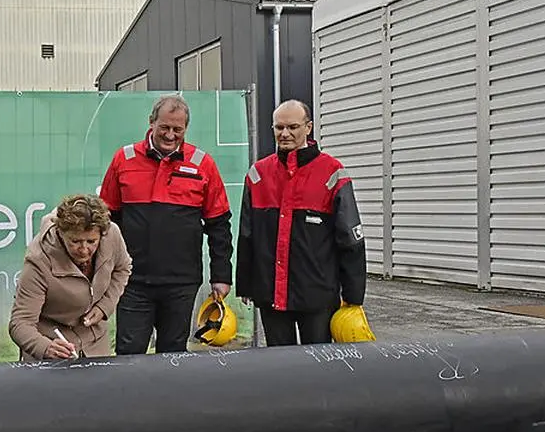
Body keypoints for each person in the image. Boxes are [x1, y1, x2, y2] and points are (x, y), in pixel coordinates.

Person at [8, 193, 132, 432]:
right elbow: (20, 324)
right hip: (52, 338)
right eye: (76, 241)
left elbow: (123, 269)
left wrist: (104, 307)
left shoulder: (112, 235)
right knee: (56, 421)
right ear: (62, 232)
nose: (84, 249)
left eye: (91, 241)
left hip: (93, 336)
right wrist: (45, 347)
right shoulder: (38, 260)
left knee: (96, 411)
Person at [98, 93, 233, 356]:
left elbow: (219, 225)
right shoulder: (124, 159)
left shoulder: (203, 164)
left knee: (173, 357)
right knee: (129, 354)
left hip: (181, 283)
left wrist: (221, 276)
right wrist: (103, 271)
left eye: (177, 130)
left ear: (186, 129)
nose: (170, 135)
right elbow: (106, 221)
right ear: (151, 123)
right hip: (132, 281)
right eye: (164, 127)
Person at [235, 99, 367, 346]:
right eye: (279, 127)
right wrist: (246, 284)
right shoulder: (258, 174)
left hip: (318, 294)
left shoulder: (332, 172)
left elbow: (351, 239)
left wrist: (353, 295)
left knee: (318, 363)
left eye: (293, 127)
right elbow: (246, 234)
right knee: (279, 362)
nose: (285, 134)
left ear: (308, 127)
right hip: (271, 293)